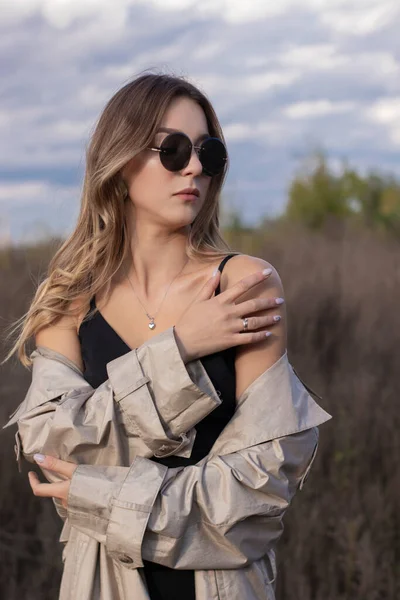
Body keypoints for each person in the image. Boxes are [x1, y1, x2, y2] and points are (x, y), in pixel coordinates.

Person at [2, 72, 332, 600]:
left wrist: (102, 495)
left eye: (210, 152)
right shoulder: (67, 301)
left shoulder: (243, 285)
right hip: (98, 584)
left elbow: (259, 494)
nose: (196, 167)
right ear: (120, 159)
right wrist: (178, 351)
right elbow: (50, 450)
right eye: (173, 150)